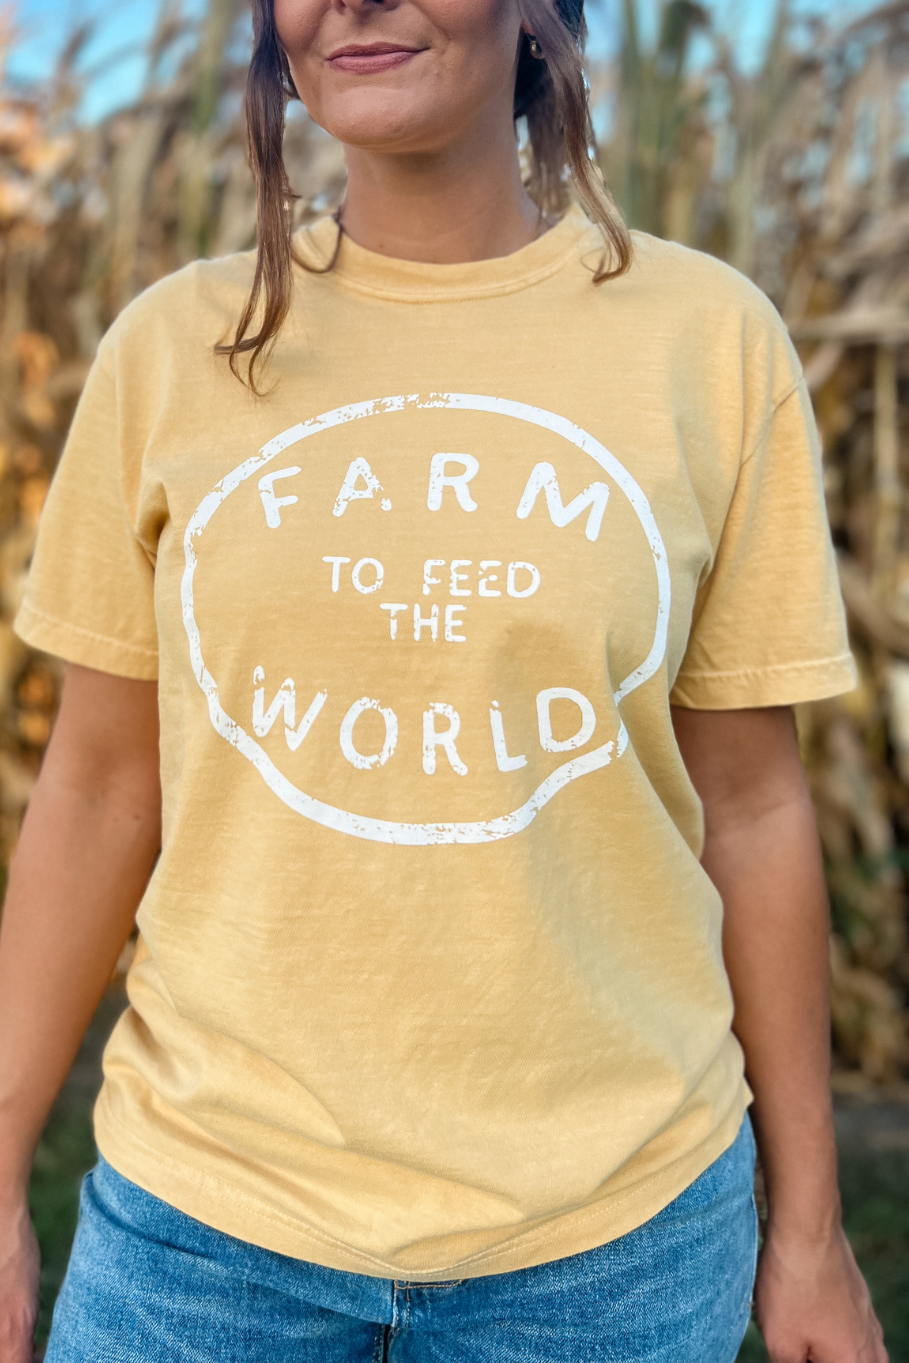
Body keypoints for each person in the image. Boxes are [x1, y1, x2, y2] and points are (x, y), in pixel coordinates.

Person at [0, 0, 890, 1360]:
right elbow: (103, 783)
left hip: (613, 1246)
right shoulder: (170, 348)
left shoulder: (709, 342)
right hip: (202, 1227)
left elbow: (756, 810)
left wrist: (811, 1229)